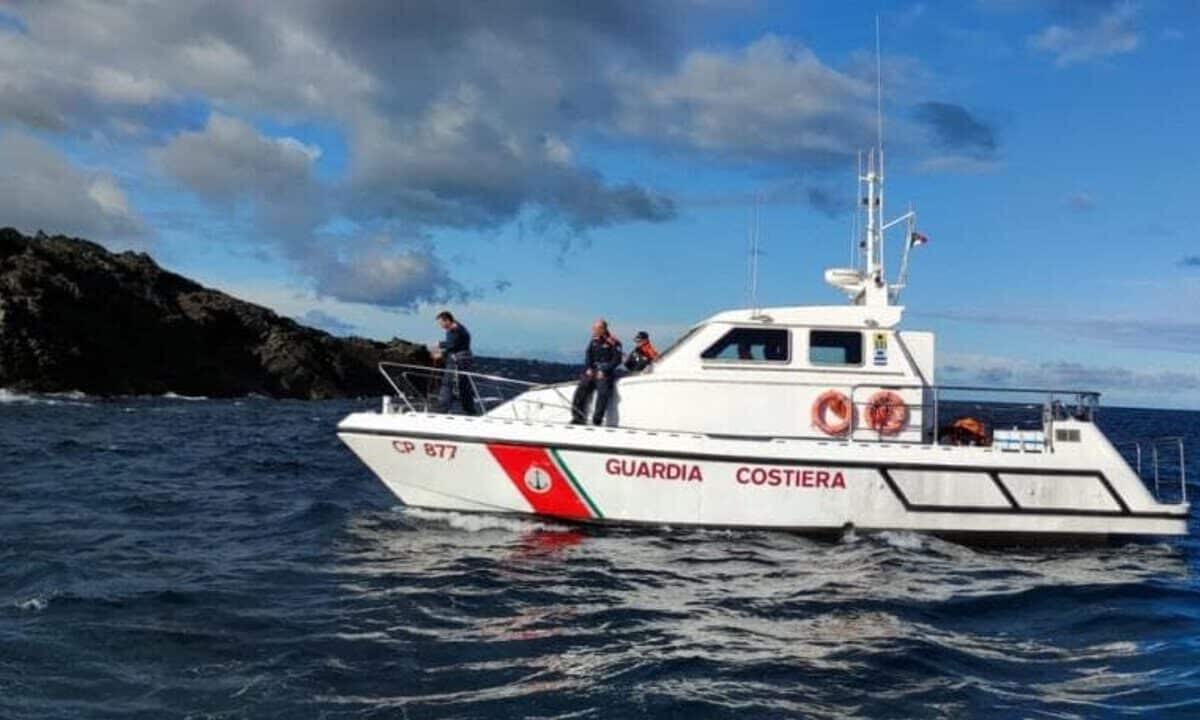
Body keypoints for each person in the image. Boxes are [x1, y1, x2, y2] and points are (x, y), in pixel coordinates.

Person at [571, 319, 623, 425]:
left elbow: (617, 360)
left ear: (603, 329)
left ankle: (597, 419)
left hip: (605, 372)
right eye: (593, 328)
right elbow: (588, 355)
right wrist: (588, 368)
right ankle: (578, 417)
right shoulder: (594, 340)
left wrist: (604, 370)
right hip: (592, 370)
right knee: (581, 389)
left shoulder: (613, 342)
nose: (593, 330)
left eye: (596, 328)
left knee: (603, 393)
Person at [432, 311, 478, 415]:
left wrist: (440, 346)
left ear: (447, 320)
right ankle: (469, 410)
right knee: (463, 385)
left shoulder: (454, 330)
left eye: (441, 323)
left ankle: (442, 409)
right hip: (462, 358)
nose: (441, 326)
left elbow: (452, 345)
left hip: (458, 360)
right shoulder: (458, 328)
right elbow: (454, 345)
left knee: (447, 384)